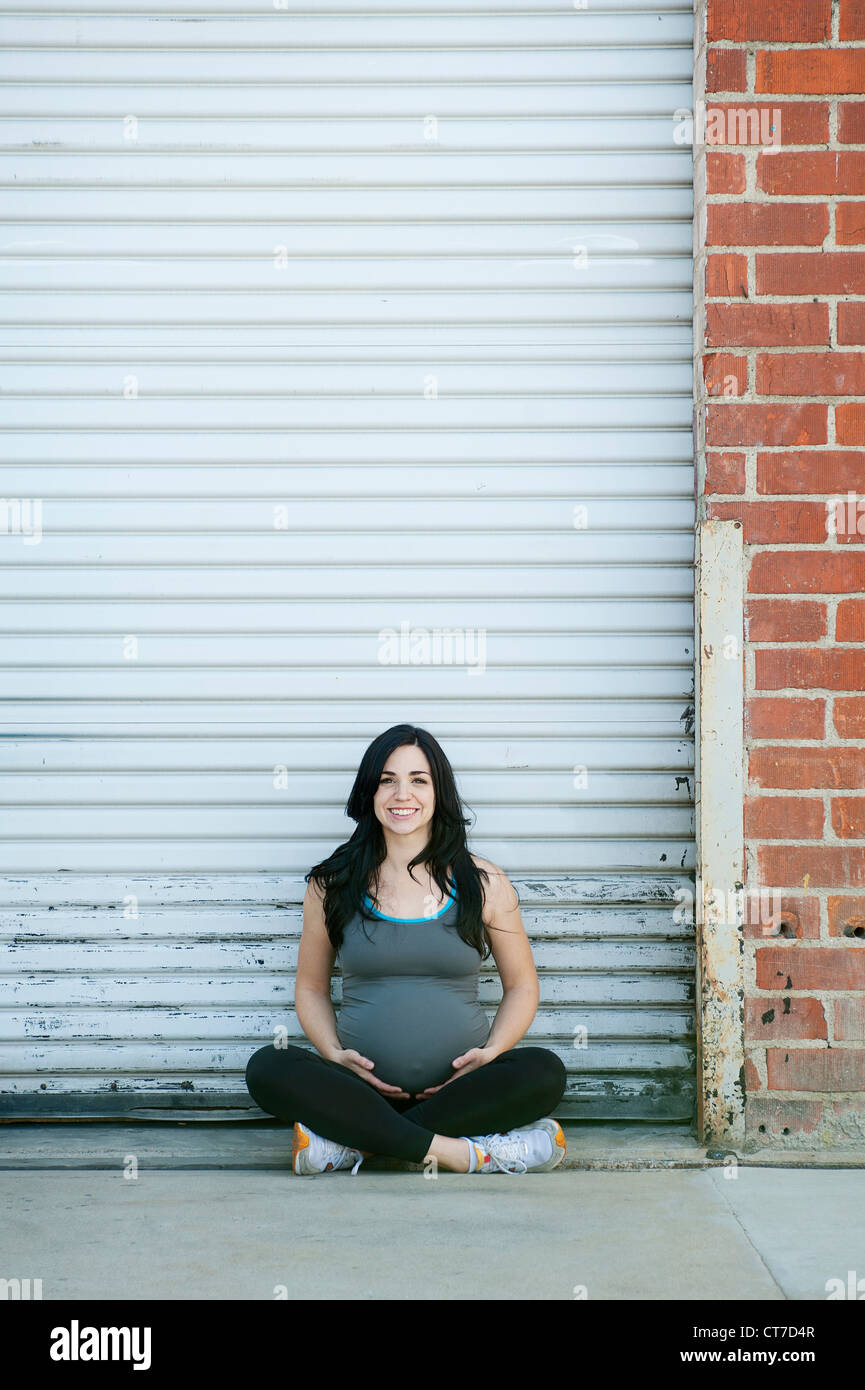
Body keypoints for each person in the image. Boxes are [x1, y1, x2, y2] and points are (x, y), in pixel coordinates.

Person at [245, 723, 568, 1175]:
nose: (402, 794)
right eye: (387, 780)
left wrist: (492, 1052)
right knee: (268, 1067)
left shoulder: (485, 882)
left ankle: (360, 1145)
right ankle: (463, 1152)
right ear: (369, 791)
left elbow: (522, 986)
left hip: (462, 1088)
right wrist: (334, 1054)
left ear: (440, 792)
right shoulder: (331, 885)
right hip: (361, 1090)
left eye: (419, 780)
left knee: (543, 1071)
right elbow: (311, 988)